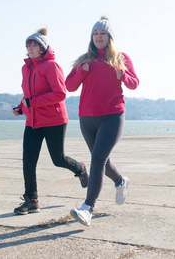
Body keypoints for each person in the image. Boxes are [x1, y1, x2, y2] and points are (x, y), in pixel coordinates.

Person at [65, 16, 140, 226]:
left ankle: (88, 208)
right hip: (87, 118)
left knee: (97, 160)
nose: (99, 36)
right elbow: (69, 86)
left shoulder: (121, 58)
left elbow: (135, 83)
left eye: (103, 33)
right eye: (96, 33)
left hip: (112, 116)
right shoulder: (84, 60)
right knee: (101, 160)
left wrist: (123, 74)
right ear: (92, 37)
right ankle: (120, 181)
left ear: (110, 37)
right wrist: (81, 71)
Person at [12, 27, 88, 215]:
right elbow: (29, 94)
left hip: (54, 120)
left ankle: (80, 168)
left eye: (35, 45)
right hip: (32, 121)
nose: (30, 47)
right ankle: (31, 200)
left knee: (58, 159)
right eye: (28, 45)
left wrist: (32, 102)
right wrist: (22, 107)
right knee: (28, 161)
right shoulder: (26, 67)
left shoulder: (51, 66)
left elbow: (60, 94)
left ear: (43, 48)